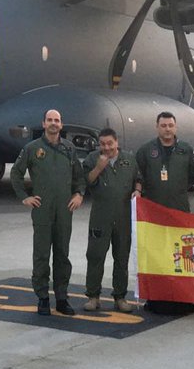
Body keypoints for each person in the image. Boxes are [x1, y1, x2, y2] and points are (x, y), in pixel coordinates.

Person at [11, 109, 84, 316]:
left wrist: (79, 194)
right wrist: (24, 196)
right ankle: (43, 297)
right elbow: (16, 173)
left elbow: (79, 177)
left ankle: (61, 297)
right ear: (43, 124)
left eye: (57, 120)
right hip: (42, 210)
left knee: (62, 254)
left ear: (61, 125)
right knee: (42, 255)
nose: (53, 123)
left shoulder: (69, 149)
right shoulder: (32, 149)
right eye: (50, 120)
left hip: (64, 210)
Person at [135, 111, 194, 314]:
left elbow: (193, 176)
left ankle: (185, 298)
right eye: (163, 125)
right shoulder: (146, 151)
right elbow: (138, 176)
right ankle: (156, 299)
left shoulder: (186, 150)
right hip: (154, 214)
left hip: (180, 212)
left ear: (176, 127)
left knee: (184, 255)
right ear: (157, 127)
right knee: (157, 256)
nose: (167, 129)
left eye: (170, 125)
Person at [82, 127, 141, 313]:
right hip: (101, 215)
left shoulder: (129, 159)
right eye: (102, 144)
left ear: (117, 142)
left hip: (123, 216)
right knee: (95, 256)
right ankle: (93, 296)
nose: (106, 147)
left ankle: (120, 297)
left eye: (110, 143)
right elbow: (87, 181)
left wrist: (138, 190)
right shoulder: (93, 158)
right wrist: (99, 167)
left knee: (121, 257)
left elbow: (138, 179)